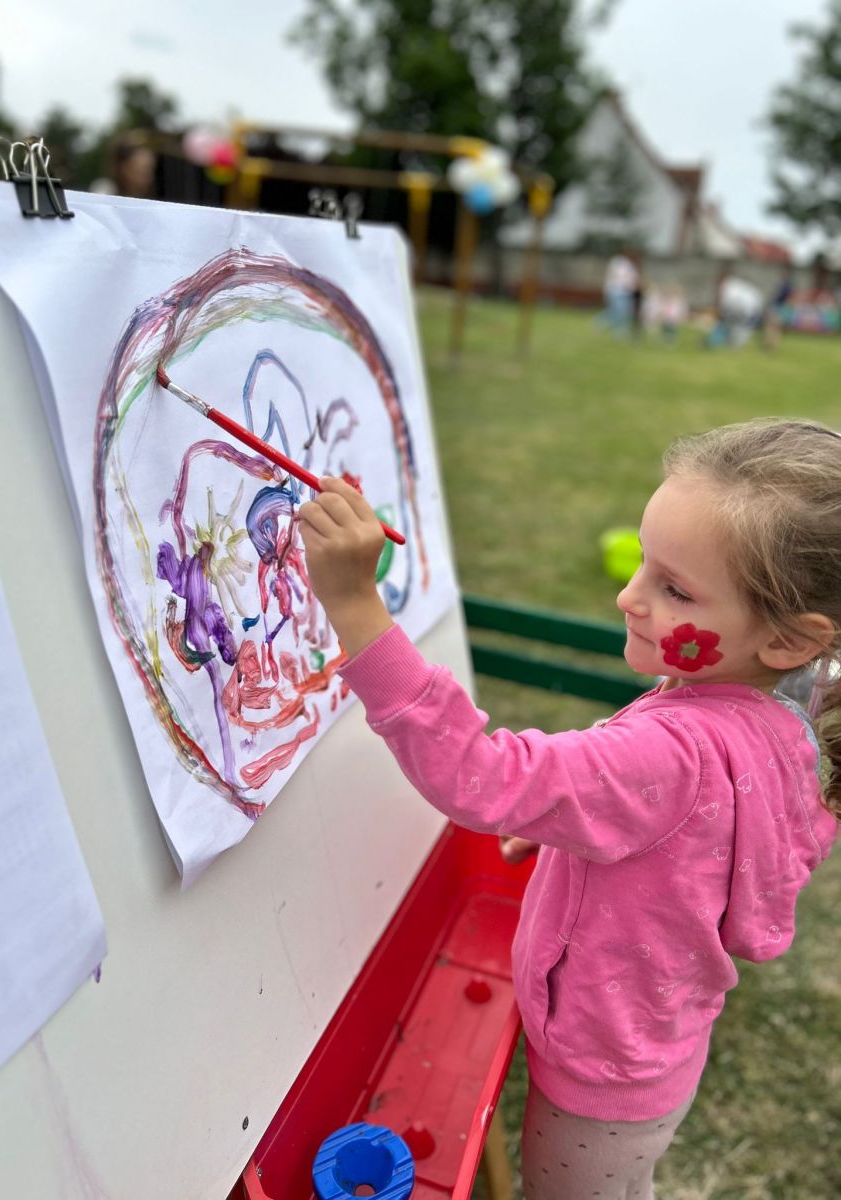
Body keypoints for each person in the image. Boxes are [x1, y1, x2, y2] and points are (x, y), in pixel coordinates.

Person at [297, 419, 839, 1199]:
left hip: (604, 1069)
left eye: (675, 589)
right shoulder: (784, 713)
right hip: (655, 1037)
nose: (629, 595)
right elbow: (695, 839)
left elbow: (481, 776)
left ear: (789, 640)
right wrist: (575, 835)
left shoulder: (673, 755)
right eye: (644, 563)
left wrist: (354, 603)